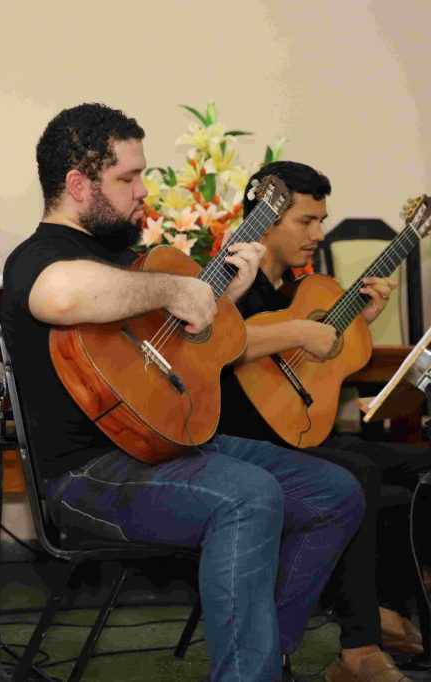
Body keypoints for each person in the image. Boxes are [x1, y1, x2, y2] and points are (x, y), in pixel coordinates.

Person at [0, 103, 365, 682]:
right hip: (87, 474)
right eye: (128, 177)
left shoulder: (132, 260)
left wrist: (224, 297)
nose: (143, 190)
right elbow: (62, 295)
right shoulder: (37, 257)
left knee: (334, 492)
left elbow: (192, 358)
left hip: (171, 446)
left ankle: (267, 655)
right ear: (78, 185)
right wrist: (177, 289)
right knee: (248, 496)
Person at [218, 160, 431, 682]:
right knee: (357, 474)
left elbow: (323, 362)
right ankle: (359, 647)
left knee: (421, 468)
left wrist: (357, 323)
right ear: (266, 219)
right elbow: (215, 346)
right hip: (242, 445)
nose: (318, 234)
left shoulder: (306, 290)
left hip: (302, 435)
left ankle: (390, 608)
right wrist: (297, 333)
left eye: (322, 220)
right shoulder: (229, 282)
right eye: (306, 221)